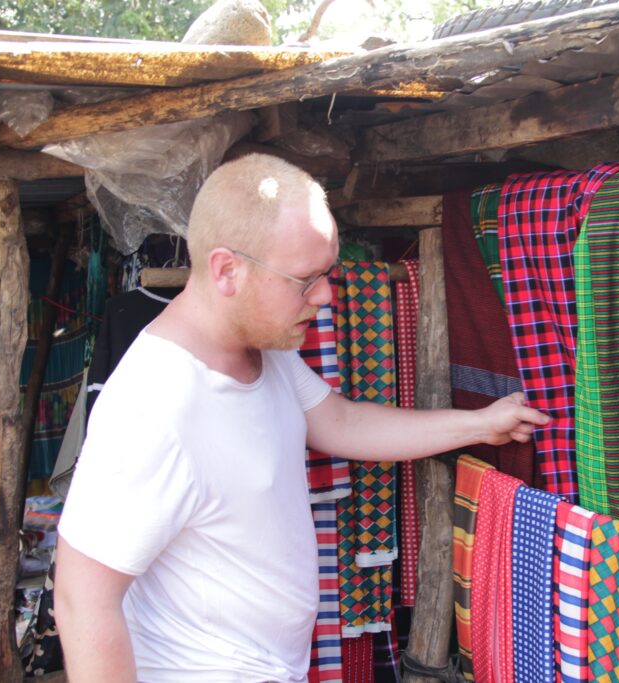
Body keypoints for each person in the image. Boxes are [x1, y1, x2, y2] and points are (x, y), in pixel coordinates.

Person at [54, 153, 548, 682]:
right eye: (304, 279)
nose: (326, 296)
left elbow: (341, 423)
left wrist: (482, 424)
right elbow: (82, 602)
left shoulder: (266, 353)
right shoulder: (154, 406)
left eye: (327, 275)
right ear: (226, 270)